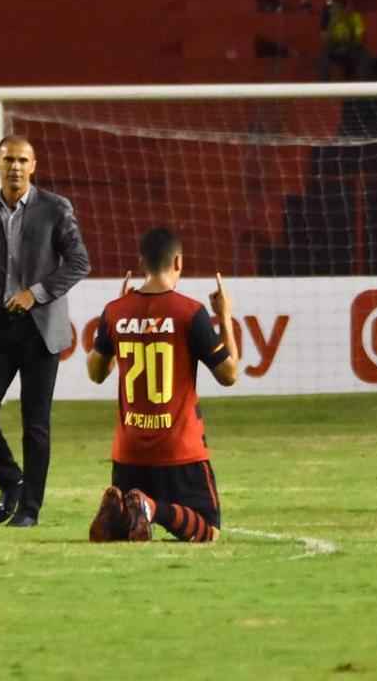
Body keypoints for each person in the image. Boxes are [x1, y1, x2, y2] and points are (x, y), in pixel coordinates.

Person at [0, 135, 91, 528]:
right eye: (8, 159)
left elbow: (79, 262)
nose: (15, 167)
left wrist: (36, 294)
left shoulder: (55, 209)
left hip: (41, 330)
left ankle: (30, 509)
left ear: (34, 165)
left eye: (22, 160)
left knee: (36, 422)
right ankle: (11, 481)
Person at [84, 228, 238, 543]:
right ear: (178, 261)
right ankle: (149, 506)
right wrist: (224, 316)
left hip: (129, 457)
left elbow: (96, 373)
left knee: (132, 525)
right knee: (209, 530)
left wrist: (116, 333)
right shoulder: (190, 312)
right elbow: (229, 374)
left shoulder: (115, 312)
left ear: (142, 263)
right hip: (178, 451)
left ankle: (119, 514)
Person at [318, 0, 371, 80]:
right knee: (323, 56)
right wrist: (331, 25)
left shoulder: (354, 17)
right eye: (331, 8)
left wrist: (349, 44)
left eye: (336, 8)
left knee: (365, 55)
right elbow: (325, 41)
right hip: (334, 48)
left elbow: (360, 38)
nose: (333, 10)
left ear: (344, 8)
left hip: (351, 46)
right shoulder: (326, 19)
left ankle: (364, 85)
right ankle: (324, 85)